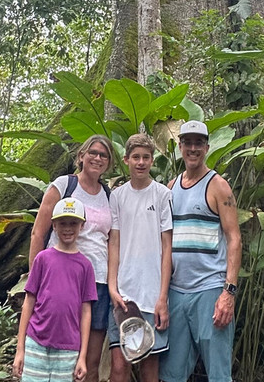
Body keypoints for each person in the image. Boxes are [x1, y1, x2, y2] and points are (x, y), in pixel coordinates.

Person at [159, 120, 242, 382]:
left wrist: (228, 292)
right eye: (187, 143)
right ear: (180, 147)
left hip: (209, 290)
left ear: (206, 147)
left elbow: (234, 238)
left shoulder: (218, 186)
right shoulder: (170, 187)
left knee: (218, 371)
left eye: (198, 143)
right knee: (171, 373)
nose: (192, 148)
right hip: (177, 291)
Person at [29, 134, 115, 379]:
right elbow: (38, 233)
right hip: (61, 278)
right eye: (93, 152)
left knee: (91, 359)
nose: (97, 158)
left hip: (98, 280)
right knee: (59, 350)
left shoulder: (109, 195)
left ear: (108, 163)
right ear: (81, 156)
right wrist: (35, 281)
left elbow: (110, 240)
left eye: (103, 155)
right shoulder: (64, 186)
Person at [107, 133, 173, 382]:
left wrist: (163, 298)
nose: (141, 162)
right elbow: (114, 242)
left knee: (150, 366)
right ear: (126, 160)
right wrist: (113, 288)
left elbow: (167, 247)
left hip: (153, 295)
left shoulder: (162, 195)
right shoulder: (118, 197)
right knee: (119, 366)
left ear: (152, 160)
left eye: (146, 157)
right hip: (123, 295)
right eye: (136, 157)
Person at [14, 197, 98, 382]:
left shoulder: (85, 266)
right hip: (36, 343)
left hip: (68, 348)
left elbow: (86, 311)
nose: (68, 228)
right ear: (54, 225)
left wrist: (82, 356)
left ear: (81, 226)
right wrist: (21, 349)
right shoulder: (43, 259)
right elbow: (29, 302)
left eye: (73, 223)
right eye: (63, 223)